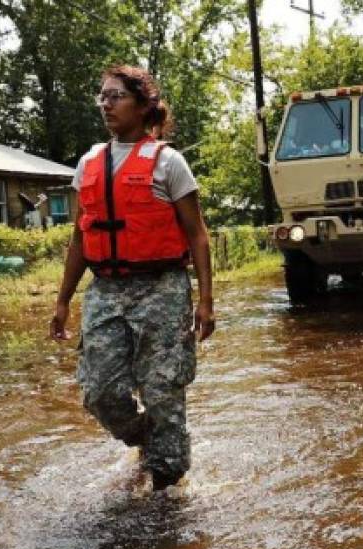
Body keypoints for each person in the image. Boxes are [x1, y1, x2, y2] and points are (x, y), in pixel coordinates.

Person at [49, 64, 214, 492]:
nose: (106, 103)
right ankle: (147, 439)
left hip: (162, 288)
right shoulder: (88, 164)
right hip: (106, 289)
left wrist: (206, 301)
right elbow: (80, 238)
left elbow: (198, 236)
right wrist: (63, 300)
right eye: (102, 96)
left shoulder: (169, 163)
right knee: (98, 392)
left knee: (163, 390)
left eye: (116, 95)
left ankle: (168, 489)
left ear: (143, 106)